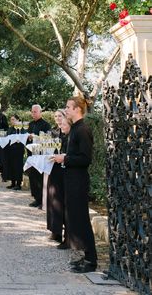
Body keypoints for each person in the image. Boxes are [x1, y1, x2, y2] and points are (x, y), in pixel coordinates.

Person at [53, 96, 98, 273]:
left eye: (68, 107)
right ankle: (85, 256)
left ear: (78, 109)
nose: (66, 110)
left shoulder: (83, 129)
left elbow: (86, 159)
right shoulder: (75, 129)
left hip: (78, 181)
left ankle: (91, 260)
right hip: (71, 180)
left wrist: (65, 158)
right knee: (75, 220)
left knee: (82, 220)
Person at [46, 111, 70, 245]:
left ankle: (67, 234)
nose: (57, 118)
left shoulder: (69, 132)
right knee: (53, 200)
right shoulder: (52, 131)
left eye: (60, 116)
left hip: (65, 169)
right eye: (55, 116)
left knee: (63, 201)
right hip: (53, 168)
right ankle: (55, 231)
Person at [27, 104, 51, 208]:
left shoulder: (46, 125)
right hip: (31, 154)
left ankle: (43, 200)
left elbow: (48, 139)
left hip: (41, 155)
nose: (33, 114)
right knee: (33, 177)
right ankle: (36, 198)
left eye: (35, 112)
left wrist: (35, 137)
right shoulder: (30, 124)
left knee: (40, 177)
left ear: (40, 112)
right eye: (32, 112)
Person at [4, 114, 26, 190]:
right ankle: (13, 183)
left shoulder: (22, 128)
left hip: (18, 150)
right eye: (11, 120)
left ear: (18, 120)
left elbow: (23, 137)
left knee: (18, 167)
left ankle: (18, 184)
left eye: (13, 119)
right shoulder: (10, 129)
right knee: (11, 166)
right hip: (10, 150)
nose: (11, 121)